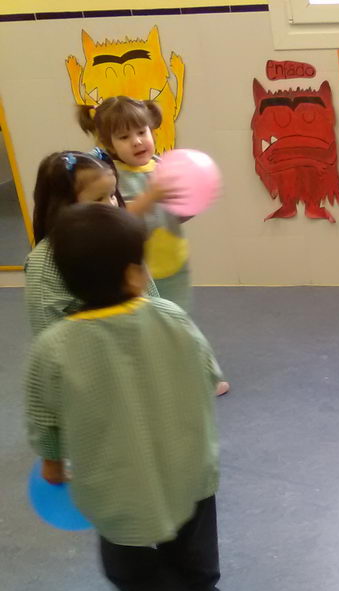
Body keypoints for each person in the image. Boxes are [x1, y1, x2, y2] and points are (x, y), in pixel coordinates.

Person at [24, 203, 235, 591]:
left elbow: (44, 418)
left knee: (127, 560)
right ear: (135, 274)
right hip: (190, 467)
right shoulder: (171, 317)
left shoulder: (53, 348)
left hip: (118, 480)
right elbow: (210, 375)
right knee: (194, 549)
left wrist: (53, 465)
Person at [77, 96, 230, 395]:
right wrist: (152, 197)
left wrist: (191, 202)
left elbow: (174, 214)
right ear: (108, 143)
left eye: (142, 132)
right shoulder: (111, 179)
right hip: (137, 273)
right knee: (147, 329)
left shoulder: (163, 167)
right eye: (124, 137)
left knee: (178, 324)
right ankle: (171, 379)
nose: (136, 141)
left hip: (171, 263)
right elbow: (116, 222)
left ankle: (201, 375)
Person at [23, 150, 161, 336]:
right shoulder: (44, 263)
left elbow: (150, 297)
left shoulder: (121, 237)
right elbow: (48, 332)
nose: (112, 205)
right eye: (98, 199)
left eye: (112, 195)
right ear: (65, 207)